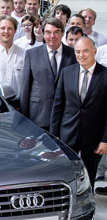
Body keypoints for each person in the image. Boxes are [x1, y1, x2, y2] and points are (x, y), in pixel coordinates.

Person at [51, 36, 107, 196]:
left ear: (94, 52)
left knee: (90, 172)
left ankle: (88, 202)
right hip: (68, 133)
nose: (81, 55)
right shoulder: (67, 72)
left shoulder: (105, 75)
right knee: (66, 171)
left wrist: (105, 140)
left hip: (94, 136)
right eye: (78, 52)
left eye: (85, 51)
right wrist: (54, 135)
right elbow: (58, 105)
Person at [20, 18, 76, 131]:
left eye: (56, 32)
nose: (52, 36)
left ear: (62, 33)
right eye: (48, 32)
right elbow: (25, 88)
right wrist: (23, 119)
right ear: (43, 34)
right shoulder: (32, 54)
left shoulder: (73, 54)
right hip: (38, 114)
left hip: (65, 116)